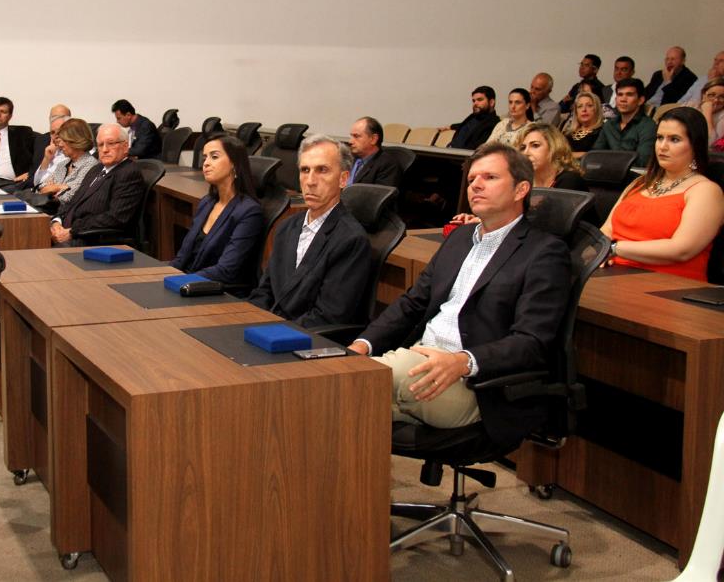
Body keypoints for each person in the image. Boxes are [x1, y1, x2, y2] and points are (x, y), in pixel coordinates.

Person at [348, 143, 572, 446]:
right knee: (341, 408)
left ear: (521, 190)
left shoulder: (544, 253)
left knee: (349, 385)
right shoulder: (460, 238)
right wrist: (363, 344)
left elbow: (531, 342)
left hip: (477, 385)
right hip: (421, 360)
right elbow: (413, 302)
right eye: (472, 179)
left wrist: (464, 361)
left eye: (490, 177)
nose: (476, 185)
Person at [248, 134, 371, 327]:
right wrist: (247, 321)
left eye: (322, 170)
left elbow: (328, 316)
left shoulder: (351, 240)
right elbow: (264, 291)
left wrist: (271, 331)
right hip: (269, 327)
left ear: (343, 179)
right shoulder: (286, 227)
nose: (310, 181)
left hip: (306, 337)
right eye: (305, 170)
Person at [601, 107, 724, 281]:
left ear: (695, 145)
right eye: (659, 138)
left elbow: (681, 250)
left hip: (669, 285)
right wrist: (602, 251)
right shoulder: (640, 183)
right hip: (612, 274)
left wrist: (613, 249)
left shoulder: (706, 191)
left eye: (674, 139)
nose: (662, 146)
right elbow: (606, 230)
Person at [170, 134, 264, 284]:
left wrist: (181, 280)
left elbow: (227, 270)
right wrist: (164, 276)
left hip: (217, 290)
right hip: (189, 282)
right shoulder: (207, 202)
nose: (206, 163)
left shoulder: (249, 212)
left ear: (234, 163)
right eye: (205, 158)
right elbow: (182, 256)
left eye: (214, 157)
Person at [49, 124, 146, 246]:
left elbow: (115, 218)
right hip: (70, 231)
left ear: (125, 146)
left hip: (92, 239)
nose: (105, 149)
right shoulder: (96, 169)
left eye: (111, 143)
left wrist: (72, 231)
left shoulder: (128, 173)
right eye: (100, 145)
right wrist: (56, 221)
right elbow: (73, 201)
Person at [591, 78, 658, 166]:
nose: (623, 99)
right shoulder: (609, 125)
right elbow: (595, 155)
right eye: (620, 95)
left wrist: (608, 161)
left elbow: (642, 161)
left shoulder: (648, 126)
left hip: (633, 173)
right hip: (607, 171)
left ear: (640, 100)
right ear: (616, 99)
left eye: (629, 95)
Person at [33, 118, 99, 206]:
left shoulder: (91, 165)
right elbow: (39, 189)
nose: (60, 144)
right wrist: (59, 187)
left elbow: (68, 197)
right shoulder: (63, 164)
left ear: (76, 140)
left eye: (64, 140)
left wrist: (52, 188)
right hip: (48, 209)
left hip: (66, 212)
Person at [519, 124, 587, 191]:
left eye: (535, 145)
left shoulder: (570, 180)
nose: (525, 153)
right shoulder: (523, 182)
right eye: (523, 148)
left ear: (554, 148)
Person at [348, 116, 402, 187]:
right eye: (351, 136)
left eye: (356, 136)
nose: (350, 141)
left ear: (373, 139)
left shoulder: (388, 165)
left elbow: (380, 193)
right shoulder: (349, 158)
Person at [28, 104, 72, 188]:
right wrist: (46, 159)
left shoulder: (74, 152)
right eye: (52, 132)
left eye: (61, 117)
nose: (56, 135)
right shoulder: (42, 141)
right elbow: (36, 181)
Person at [694, 77, 724, 149]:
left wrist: (707, 114)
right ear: (703, 95)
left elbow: (711, 144)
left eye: (722, 97)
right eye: (712, 95)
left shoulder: (722, 116)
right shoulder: (692, 106)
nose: (716, 100)